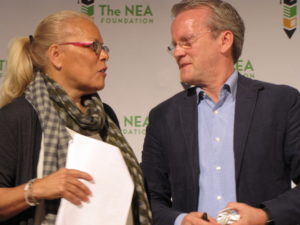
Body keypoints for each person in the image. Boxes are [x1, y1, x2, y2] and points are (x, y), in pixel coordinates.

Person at [141, 0, 300, 225]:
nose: (177, 52)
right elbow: (148, 200)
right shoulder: (163, 117)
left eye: (186, 42)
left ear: (224, 40)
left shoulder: (281, 102)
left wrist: (264, 215)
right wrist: (180, 220)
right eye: (174, 44)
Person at [0, 11, 152, 225]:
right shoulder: (18, 117)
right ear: (56, 55)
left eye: (104, 48)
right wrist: (37, 188)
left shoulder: (105, 117)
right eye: (93, 47)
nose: (104, 55)